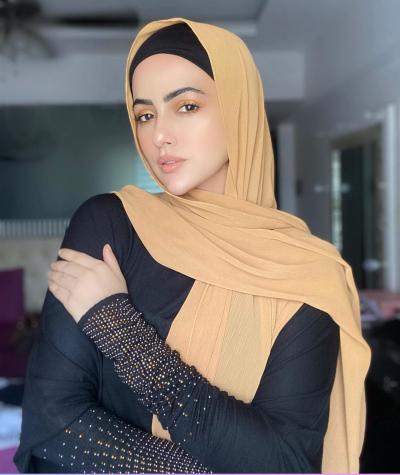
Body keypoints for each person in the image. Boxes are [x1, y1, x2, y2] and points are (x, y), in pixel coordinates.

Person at [14, 18, 371, 474]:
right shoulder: (110, 223)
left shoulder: (308, 274)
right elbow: (53, 428)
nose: (159, 135)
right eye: (145, 115)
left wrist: (118, 327)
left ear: (238, 108)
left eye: (186, 106)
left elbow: (285, 464)